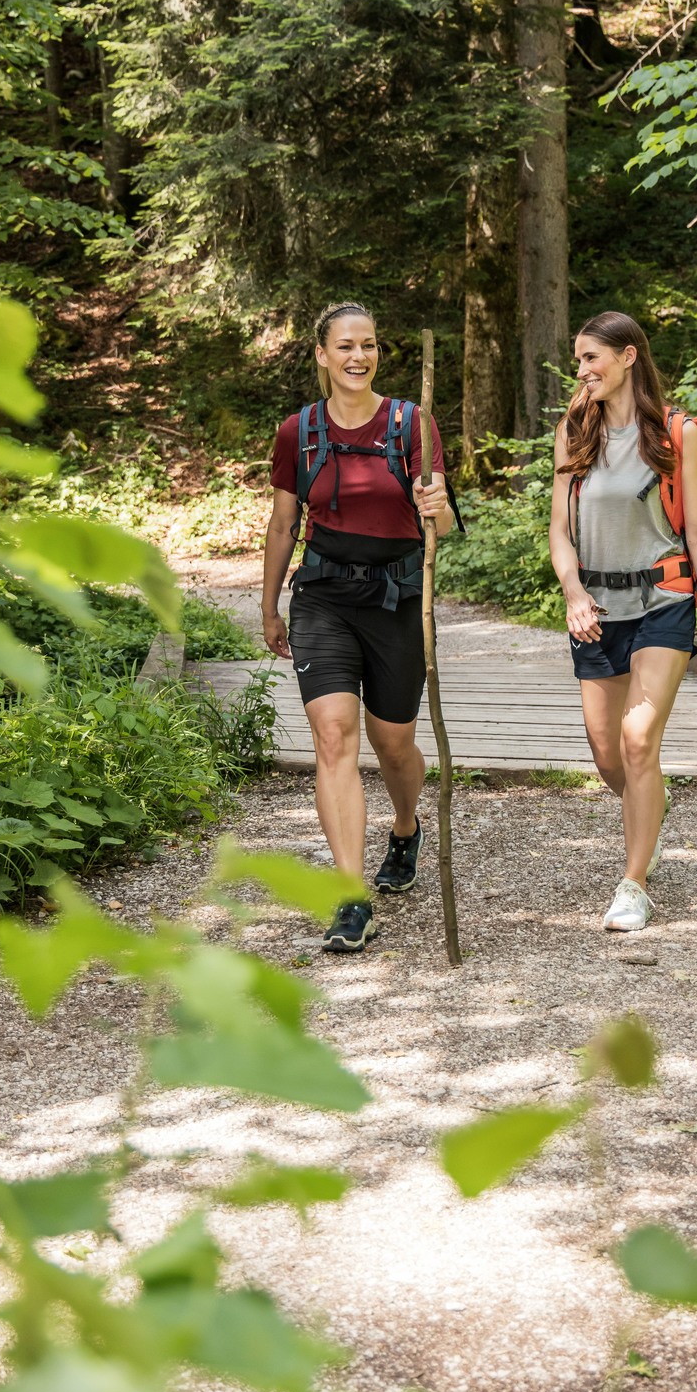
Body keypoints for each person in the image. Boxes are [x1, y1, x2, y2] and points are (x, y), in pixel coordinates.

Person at [263, 302, 454, 954]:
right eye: (345, 346)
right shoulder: (298, 431)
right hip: (322, 599)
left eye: (368, 345)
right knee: (333, 735)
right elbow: (283, 524)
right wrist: (267, 605)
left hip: (396, 602)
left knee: (393, 744)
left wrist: (436, 507)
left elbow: (444, 521)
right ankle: (350, 901)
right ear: (320, 353)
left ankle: (403, 826)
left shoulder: (410, 424)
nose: (357, 356)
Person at [549, 311, 697, 933]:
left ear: (628, 357)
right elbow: (559, 531)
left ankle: (633, 884)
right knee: (607, 755)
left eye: (592, 357)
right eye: (578, 360)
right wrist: (572, 592)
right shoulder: (574, 430)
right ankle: (650, 799)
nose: (583, 370)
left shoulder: (678, 434)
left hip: (664, 601)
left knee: (637, 740)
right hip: (596, 609)